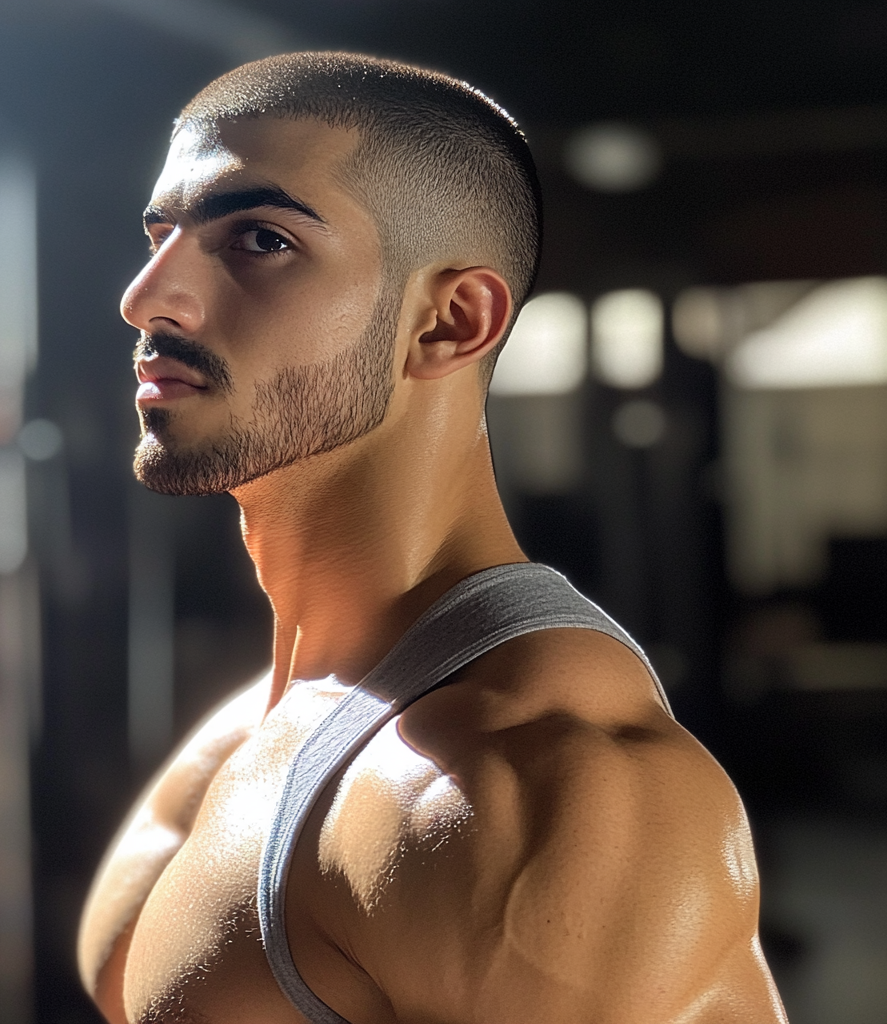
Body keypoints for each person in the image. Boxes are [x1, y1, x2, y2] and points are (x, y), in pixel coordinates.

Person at [78, 52, 787, 1024]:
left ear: (448, 322)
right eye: (162, 233)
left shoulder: (537, 789)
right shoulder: (263, 718)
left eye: (257, 238)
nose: (148, 297)